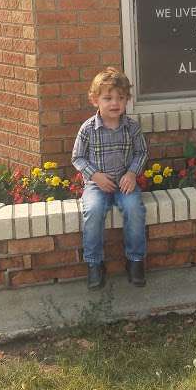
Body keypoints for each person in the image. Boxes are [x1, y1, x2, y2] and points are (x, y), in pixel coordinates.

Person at [72, 67, 148, 290]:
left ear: (127, 100)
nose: (115, 103)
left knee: (135, 210)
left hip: (125, 184)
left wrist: (132, 173)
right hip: (97, 185)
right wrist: (95, 175)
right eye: (108, 98)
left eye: (120, 98)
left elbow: (141, 152)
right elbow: (77, 157)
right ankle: (95, 264)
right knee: (93, 212)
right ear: (95, 100)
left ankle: (135, 261)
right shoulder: (88, 129)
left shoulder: (132, 128)